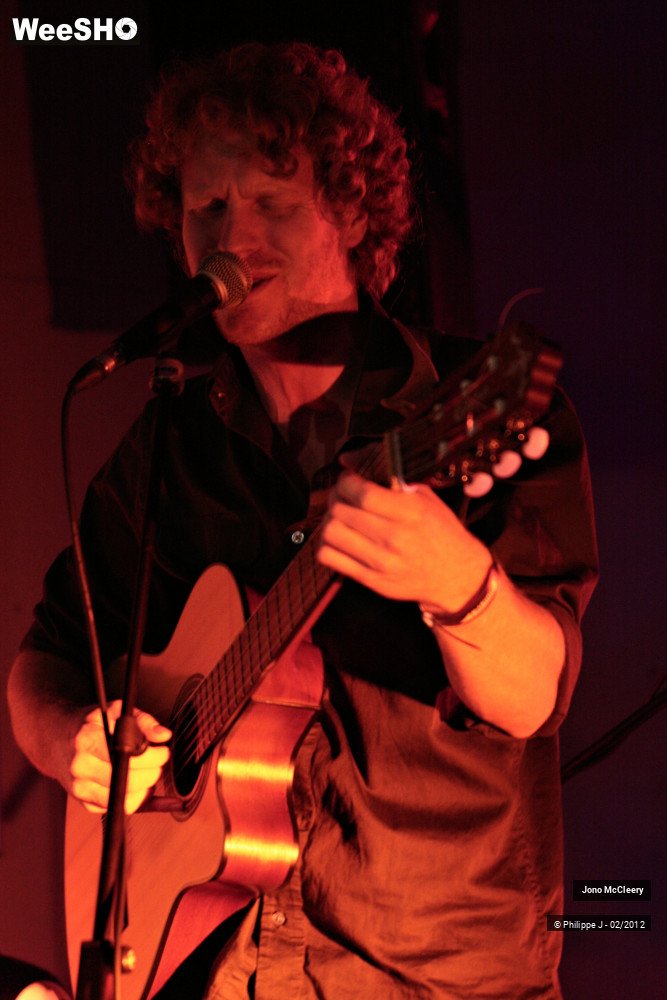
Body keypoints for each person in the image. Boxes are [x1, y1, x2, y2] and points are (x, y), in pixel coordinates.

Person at [8, 42, 598, 999]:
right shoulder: (169, 445)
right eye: (206, 208)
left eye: (271, 202)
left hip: (428, 973)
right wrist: (76, 737)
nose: (232, 236)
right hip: (209, 966)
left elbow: (533, 696)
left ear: (353, 213)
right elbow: (45, 657)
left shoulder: (471, 406)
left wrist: (461, 589)